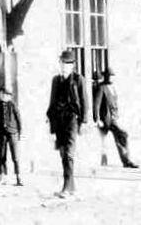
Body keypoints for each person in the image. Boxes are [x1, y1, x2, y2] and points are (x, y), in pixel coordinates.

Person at [46, 50, 86, 199]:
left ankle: (66, 187)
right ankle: (72, 187)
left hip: (72, 120)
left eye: (68, 64)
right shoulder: (56, 80)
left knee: (69, 153)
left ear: (73, 65)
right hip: (58, 120)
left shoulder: (78, 80)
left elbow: (84, 102)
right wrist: (51, 126)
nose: (64, 66)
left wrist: (84, 122)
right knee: (63, 153)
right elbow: (52, 102)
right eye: (62, 63)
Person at [93, 67, 139, 169]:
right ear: (104, 77)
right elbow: (96, 104)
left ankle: (126, 160)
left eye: (111, 76)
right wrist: (97, 119)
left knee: (121, 137)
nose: (110, 78)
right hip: (107, 119)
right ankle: (127, 161)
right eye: (108, 76)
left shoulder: (113, 87)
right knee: (123, 134)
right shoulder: (102, 87)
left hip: (114, 117)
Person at [0, 86, 23, 186]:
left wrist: (20, 133)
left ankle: (18, 177)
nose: (2, 96)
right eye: (1, 94)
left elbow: (18, 119)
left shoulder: (13, 105)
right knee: (2, 156)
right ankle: (2, 177)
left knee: (15, 156)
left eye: (4, 94)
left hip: (12, 133)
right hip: (1, 134)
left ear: (8, 96)